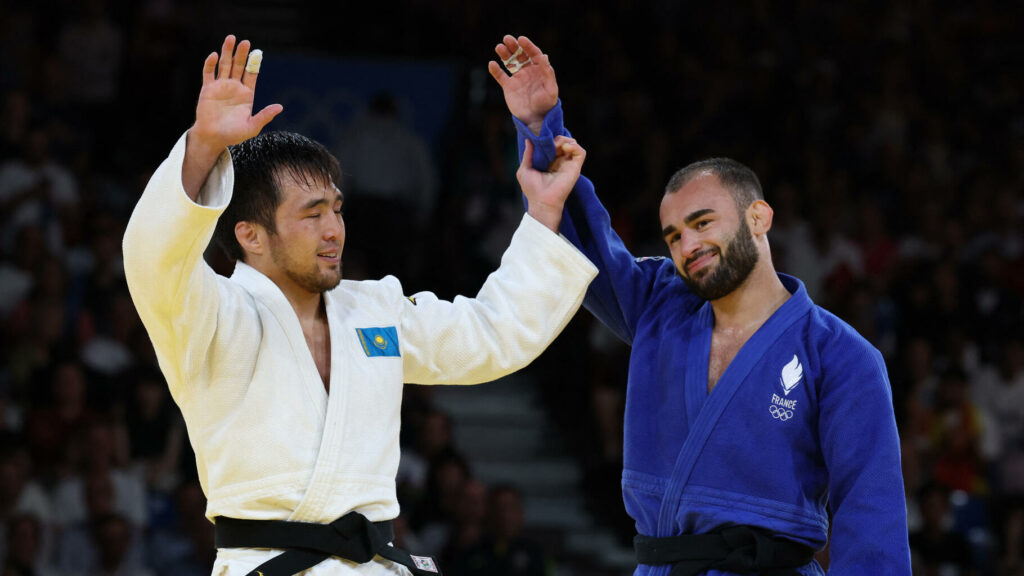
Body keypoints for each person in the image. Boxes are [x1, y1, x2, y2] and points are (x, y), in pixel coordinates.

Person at [123, 35, 597, 576]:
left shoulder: (374, 309)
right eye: (312, 214)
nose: (334, 231)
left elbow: (494, 333)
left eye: (337, 210)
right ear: (251, 235)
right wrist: (203, 148)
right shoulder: (210, 316)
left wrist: (541, 209)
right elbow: (152, 259)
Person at [488, 35, 910, 575]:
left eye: (703, 222)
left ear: (759, 218)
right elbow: (585, 239)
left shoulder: (842, 356)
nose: (688, 247)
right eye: (672, 236)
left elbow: (870, 518)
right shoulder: (658, 304)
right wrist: (543, 126)